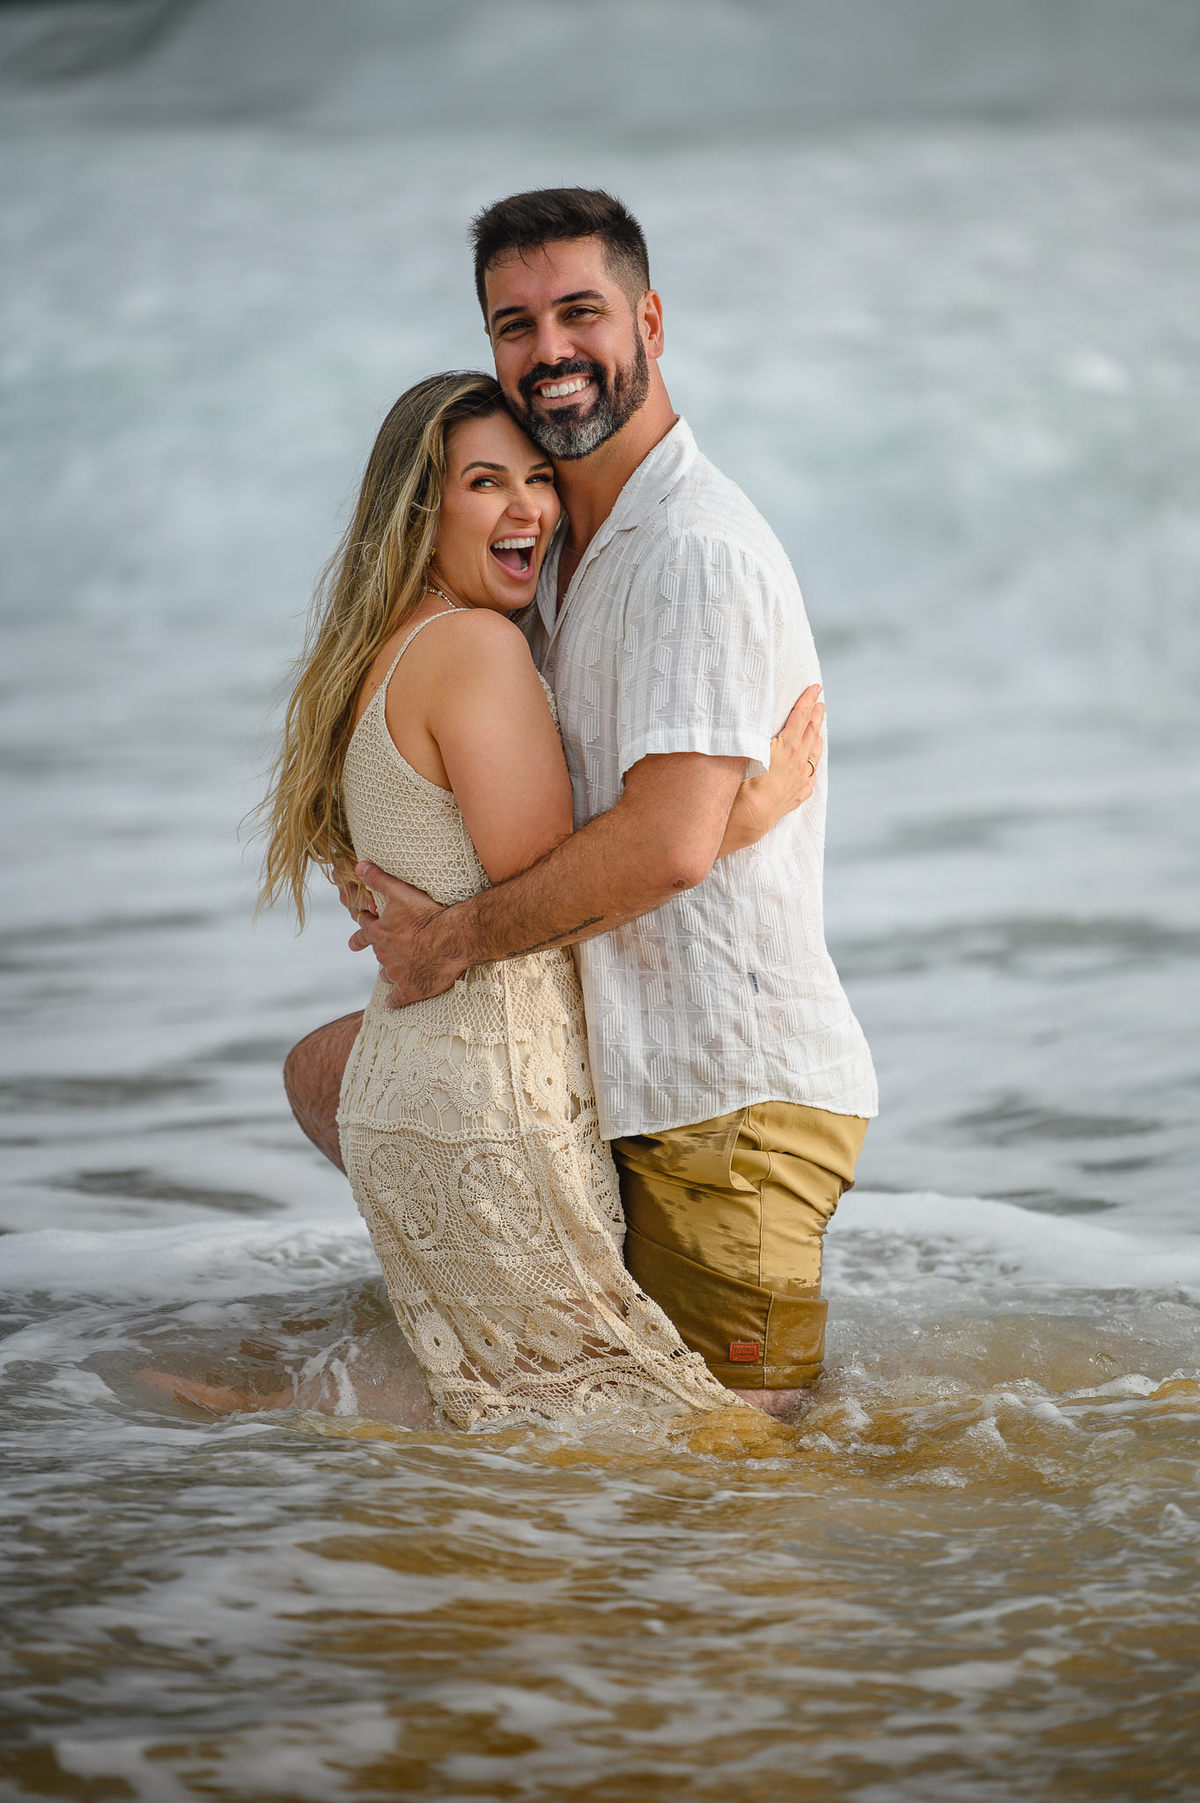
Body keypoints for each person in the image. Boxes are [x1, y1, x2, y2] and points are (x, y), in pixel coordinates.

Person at [287, 187, 877, 1419]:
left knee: (754, 1487)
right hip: (614, 1080)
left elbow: (663, 847)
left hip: (723, 1100)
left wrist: (447, 937)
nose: (548, 350)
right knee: (626, 1480)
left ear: (650, 320)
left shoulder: (689, 555)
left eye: (579, 312)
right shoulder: (543, 566)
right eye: (515, 323)